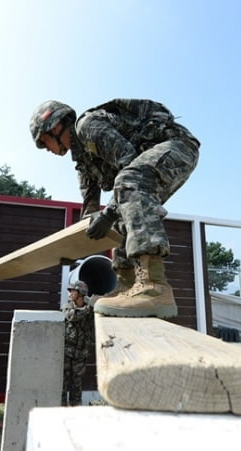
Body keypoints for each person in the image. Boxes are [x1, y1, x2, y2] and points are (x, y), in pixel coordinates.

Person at [30, 99, 200, 318]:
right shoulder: (84, 164)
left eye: (43, 142)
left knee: (129, 184)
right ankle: (128, 284)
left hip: (176, 146)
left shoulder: (88, 127)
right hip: (149, 163)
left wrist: (108, 214)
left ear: (54, 127)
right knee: (122, 212)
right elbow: (90, 216)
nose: (46, 150)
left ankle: (153, 287)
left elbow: (128, 163)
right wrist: (72, 249)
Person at [62, 280, 94, 406]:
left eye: (73, 291)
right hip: (67, 352)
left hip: (81, 354)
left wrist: (93, 304)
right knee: (63, 382)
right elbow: (72, 316)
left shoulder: (91, 309)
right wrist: (87, 307)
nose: (70, 293)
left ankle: (76, 407)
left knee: (77, 383)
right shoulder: (67, 306)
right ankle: (62, 407)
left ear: (80, 293)